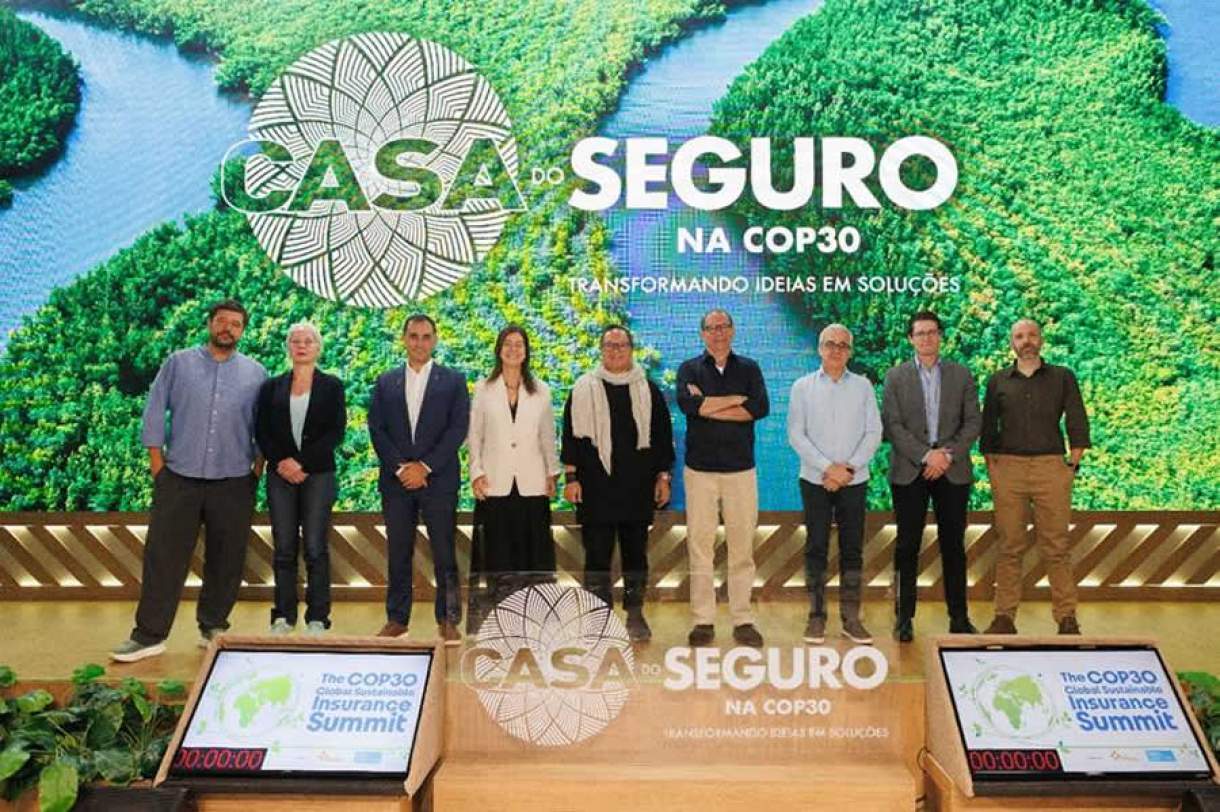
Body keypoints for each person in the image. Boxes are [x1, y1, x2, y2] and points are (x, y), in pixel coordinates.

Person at [110, 300, 267, 662]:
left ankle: (213, 626)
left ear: (243, 331)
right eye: (222, 321)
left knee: (226, 559)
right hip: (178, 478)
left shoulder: (256, 373)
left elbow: (263, 425)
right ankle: (149, 635)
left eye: (236, 324)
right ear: (210, 324)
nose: (228, 328)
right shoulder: (178, 363)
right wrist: (157, 465)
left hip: (234, 480)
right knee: (163, 557)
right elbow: (154, 409)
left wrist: (256, 469)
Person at [562, 325, 675, 642]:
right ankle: (599, 619)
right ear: (601, 350)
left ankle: (635, 614)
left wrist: (663, 477)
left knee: (636, 555)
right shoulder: (582, 388)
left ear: (631, 350)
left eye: (621, 345)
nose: (615, 351)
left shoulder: (648, 390)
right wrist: (571, 478)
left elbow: (662, 437)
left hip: (637, 487)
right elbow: (570, 437)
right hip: (594, 486)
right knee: (596, 556)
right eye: (609, 345)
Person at [981, 318, 1090, 635]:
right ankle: (1004, 617)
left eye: (1031, 335)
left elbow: (1077, 419)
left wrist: (1071, 464)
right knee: (1009, 546)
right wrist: (995, 469)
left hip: (1051, 469)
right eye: (1019, 336)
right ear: (1012, 343)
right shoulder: (998, 381)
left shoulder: (1062, 377)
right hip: (1009, 470)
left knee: (1056, 546)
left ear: (1041, 340)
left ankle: (1066, 617)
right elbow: (988, 428)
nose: (1026, 341)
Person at [368, 314, 469, 644]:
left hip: (438, 481)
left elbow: (457, 429)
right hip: (396, 482)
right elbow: (377, 429)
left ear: (435, 340)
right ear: (404, 339)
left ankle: (448, 619)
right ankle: (397, 620)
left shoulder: (453, 381)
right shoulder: (386, 381)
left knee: (444, 553)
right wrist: (402, 468)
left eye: (426, 336)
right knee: (398, 552)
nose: (420, 343)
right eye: (413, 336)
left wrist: (424, 467)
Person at [881, 311, 981, 643]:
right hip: (911, 470)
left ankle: (959, 618)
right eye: (920, 333)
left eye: (932, 332)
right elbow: (893, 425)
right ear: (911, 339)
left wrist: (946, 456)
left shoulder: (961, 374)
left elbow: (973, 422)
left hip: (952, 470)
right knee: (907, 545)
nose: (926, 338)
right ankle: (904, 618)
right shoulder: (895, 377)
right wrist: (926, 455)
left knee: (954, 545)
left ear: (940, 336)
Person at [676, 309, 769, 648]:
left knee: (742, 548)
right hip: (699, 471)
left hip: (740, 470)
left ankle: (743, 618)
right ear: (702, 333)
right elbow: (689, 407)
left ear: (733, 330)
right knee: (700, 547)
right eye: (711, 327)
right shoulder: (689, 368)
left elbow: (758, 409)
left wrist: (708, 405)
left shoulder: (749, 368)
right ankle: (703, 619)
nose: (718, 332)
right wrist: (734, 401)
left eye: (723, 326)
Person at [787, 323, 882, 644]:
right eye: (830, 344)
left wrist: (848, 469)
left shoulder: (864, 387)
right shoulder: (802, 386)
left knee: (852, 549)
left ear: (850, 351)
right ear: (820, 348)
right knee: (816, 548)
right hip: (815, 480)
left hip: (855, 480)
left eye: (843, 345)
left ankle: (851, 618)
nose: (836, 350)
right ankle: (816, 617)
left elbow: (874, 432)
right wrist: (829, 468)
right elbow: (796, 434)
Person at [255, 322, 347, 636]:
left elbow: (335, 432)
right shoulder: (271, 387)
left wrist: (301, 462)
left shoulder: (332, 386)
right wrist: (281, 461)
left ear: (318, 347)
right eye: (296, 341)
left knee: (315, 547)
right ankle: (283, 615)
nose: (302, 346)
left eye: (308, 341)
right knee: (283, 547)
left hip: (318, 474)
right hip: (279, 474)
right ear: (288, 347)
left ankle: (318, 617)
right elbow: (262, 430)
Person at [468, 325, 561, 603]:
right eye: (508, 344)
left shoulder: (541, 390)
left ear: (526, 351)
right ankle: (500, 609)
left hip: (533, 482)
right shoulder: (483, 389)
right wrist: (476, 472)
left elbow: (547, 435)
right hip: (495, 481)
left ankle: (534, 610)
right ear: (499, 350)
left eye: (519, 344)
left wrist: (552, 473)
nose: (513, 349)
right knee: (498, 552)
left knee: (533, 552)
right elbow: (475, 435)